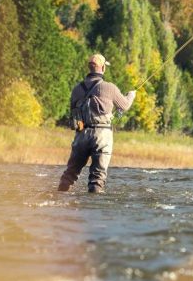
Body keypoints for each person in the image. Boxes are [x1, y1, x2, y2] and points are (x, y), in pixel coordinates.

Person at [58, 53, 136, 193]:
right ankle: (94, 209)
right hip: (102, 136)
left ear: (89, 68)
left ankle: (59, 197)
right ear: (103, 68)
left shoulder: (77, 89)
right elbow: (124, 106)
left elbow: (73, 113)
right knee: (97, 177)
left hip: (81, 135)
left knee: (69, 174)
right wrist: (131, 95)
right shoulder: (109, 87)